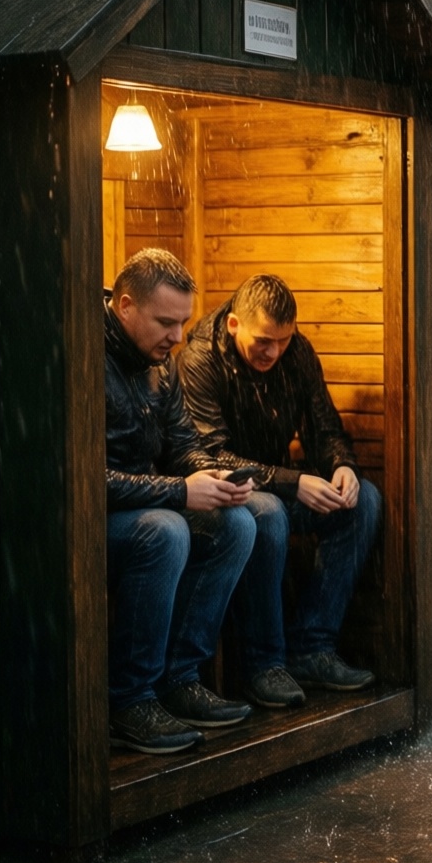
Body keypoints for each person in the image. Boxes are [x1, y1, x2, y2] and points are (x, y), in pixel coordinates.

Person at [179, 274, 381, 707]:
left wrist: (342, 465)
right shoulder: (199, 359)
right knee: (268, 511)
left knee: (363, 499)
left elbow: (324, 428)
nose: (274, 351)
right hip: (222, 495)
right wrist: (295, 482)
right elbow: (212, 456)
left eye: (283, 340)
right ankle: (263, 664)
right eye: (264, 341)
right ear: (234, 325)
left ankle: (312, 646)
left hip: (278, 485)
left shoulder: (297, 351)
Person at [104, 249, 256, 754]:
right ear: (125, 306)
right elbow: (84, 480)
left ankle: (179, 679)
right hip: (87, 520)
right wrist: (178, 491)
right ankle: (129, 699)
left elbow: (182, 442)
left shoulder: (160, 365)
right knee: (166, 530)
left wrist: (207, 472)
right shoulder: (84, 354)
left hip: (146, 505)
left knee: (237, 523)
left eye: (184, 322)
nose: (177, 336)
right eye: (165, 322)